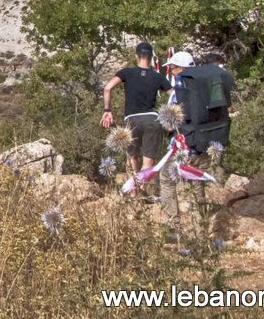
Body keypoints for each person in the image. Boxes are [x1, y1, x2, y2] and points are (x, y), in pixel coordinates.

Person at [160, 50, 235, 233]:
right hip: (210, 141)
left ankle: (173, 228)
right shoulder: (209, 83)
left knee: (166, 177)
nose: (171, 72)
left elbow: (170, 124)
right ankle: (199, 236)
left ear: (180, 68)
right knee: (197, 187)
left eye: (172, 68)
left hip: (187, 144)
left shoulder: (182, 87)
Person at [101, 41, 171, 180]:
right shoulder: (158, 76)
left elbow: (107, 88)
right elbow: (174, 94)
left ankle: (133, 192)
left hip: (131, 119)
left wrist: (107, 110)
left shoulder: (127, 73)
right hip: (152, 119)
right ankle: (144, 188)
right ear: (151, 57)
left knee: (132, 157)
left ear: (136, 56)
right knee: (148, 160)